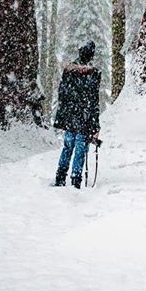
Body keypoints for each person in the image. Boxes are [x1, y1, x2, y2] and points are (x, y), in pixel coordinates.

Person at [53, 41, 101, 188]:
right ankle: (75, 179)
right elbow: (93, 101)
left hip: (70, 117)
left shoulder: (69, 71)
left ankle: (60, 177)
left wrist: (63, 116)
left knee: (68, 146)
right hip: (84, 118)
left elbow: (63, 94)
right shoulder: (93, 73)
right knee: (80, 148)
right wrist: (95, 125)